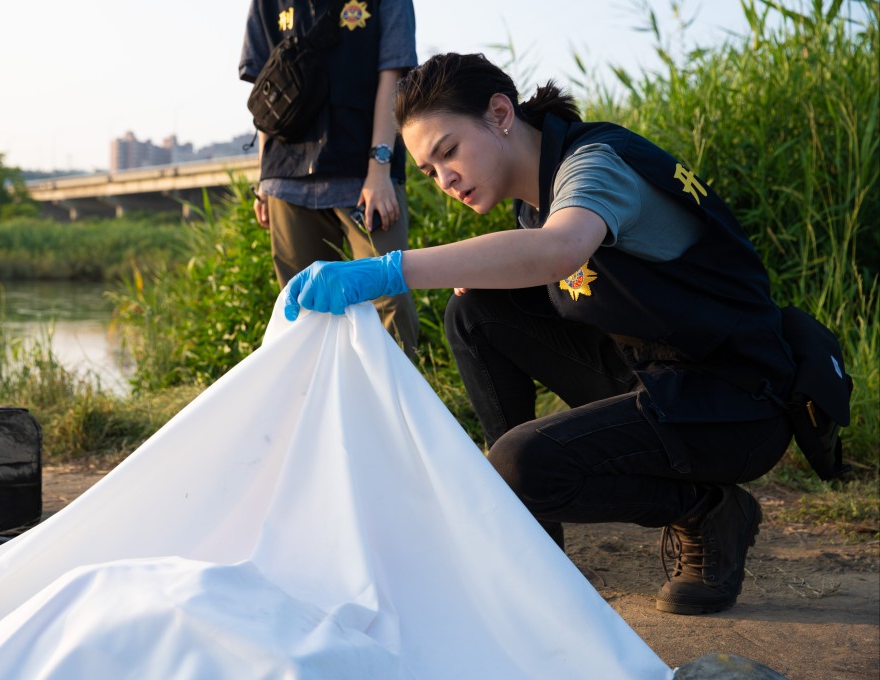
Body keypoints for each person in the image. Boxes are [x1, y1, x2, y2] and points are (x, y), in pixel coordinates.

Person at [282, 52, 798, 616]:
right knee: (474, 311)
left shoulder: (593, 167)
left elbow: (559, 249)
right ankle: (531, 539)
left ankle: (706, 509)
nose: (444, 179)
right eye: (429, 171)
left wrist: (389, 270)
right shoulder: (536, 200)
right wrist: (488, 281)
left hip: (736, 403)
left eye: (449, 151)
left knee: (519, 464)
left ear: (500, 114)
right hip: (662, 375)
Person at [239, 0, 419, 359]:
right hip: (286, 174)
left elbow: (394, 73)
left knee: (390, 300)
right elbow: (266, 88)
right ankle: (316, 397)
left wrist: (379, 168)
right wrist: (264, 181)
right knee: (302, 311)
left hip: (364, 173)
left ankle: (391, 396)